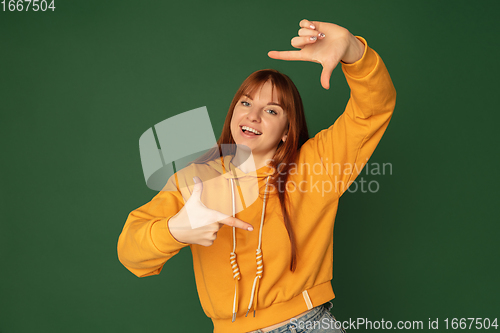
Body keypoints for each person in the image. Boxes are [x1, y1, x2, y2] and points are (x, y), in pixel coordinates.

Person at [117, 19, 396, 333]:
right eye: (246, 103)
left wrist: (353, 51)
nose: (252, 115)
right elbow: (130, 252)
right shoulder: (197, 178)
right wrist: (175, 230)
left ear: (288, 131)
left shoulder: (316, 165)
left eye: (272, 110)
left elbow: (373, 109)